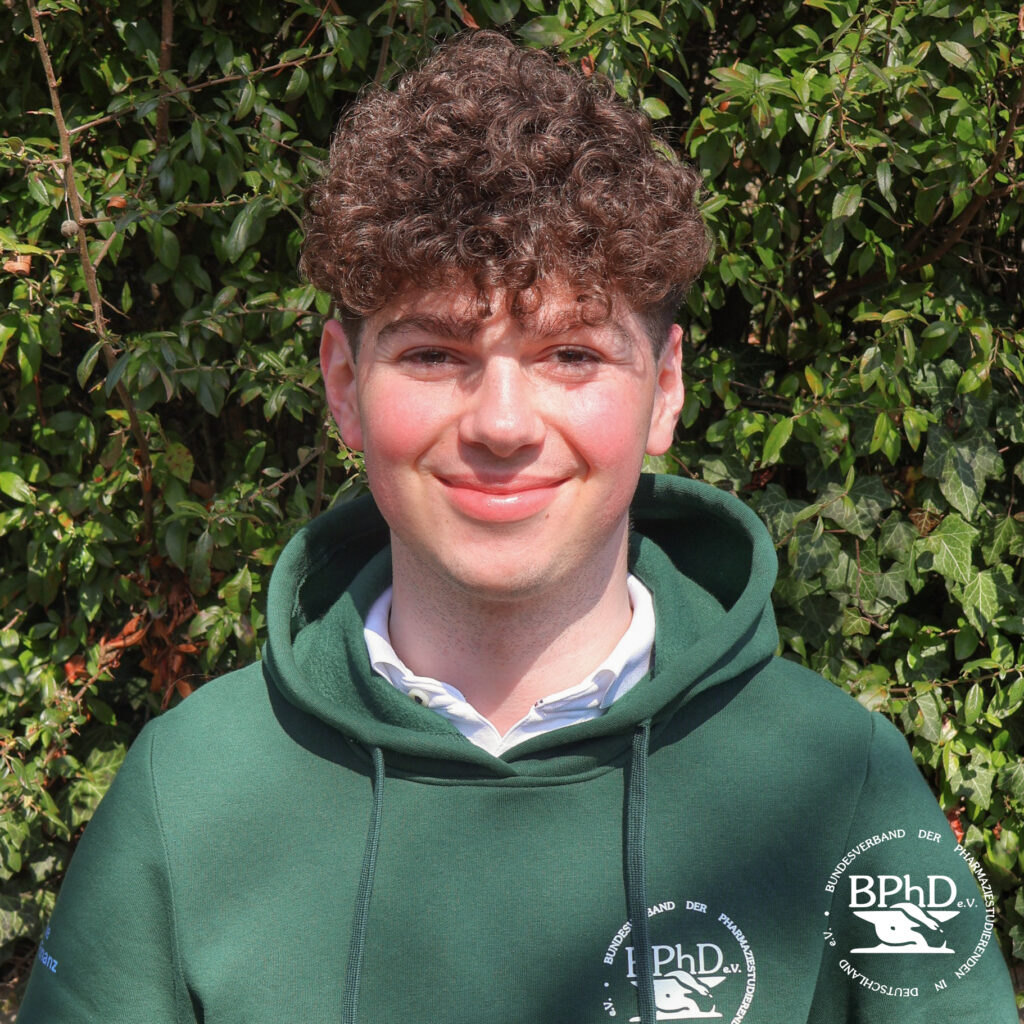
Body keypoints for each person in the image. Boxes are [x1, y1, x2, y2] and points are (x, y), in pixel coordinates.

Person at [16, 30, 1016, 1024]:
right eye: (435, 354)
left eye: (572, 355)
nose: (502, 424)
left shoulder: (839, 783)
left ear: (665, 389)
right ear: (343, 385)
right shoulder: (190, 792)